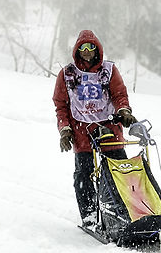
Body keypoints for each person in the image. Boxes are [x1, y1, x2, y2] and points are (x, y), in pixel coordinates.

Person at [53, 29, 137, 226]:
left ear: (97, 49)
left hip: (109, 127)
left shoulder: (108, 70)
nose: (87, 51)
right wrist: (65, 129)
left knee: (120, 171)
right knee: (84, 174)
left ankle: (125, 212)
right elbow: (61, 105)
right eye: (83, 47)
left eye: (91, 47)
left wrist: (124, 111)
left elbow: (119, 95)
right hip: (81, 130)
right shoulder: (67, 74)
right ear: (77, 50)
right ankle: (90, 216)